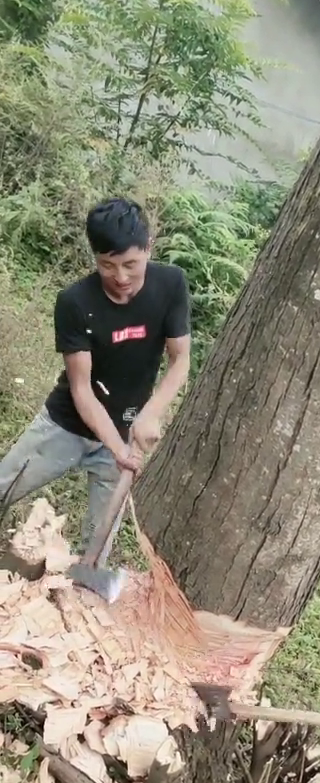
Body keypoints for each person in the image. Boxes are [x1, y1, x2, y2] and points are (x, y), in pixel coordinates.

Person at [0, 198, 191, 561]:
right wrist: (119, 450)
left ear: (149, 247)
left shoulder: (171, 285)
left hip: (123, 433)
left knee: (97, 548)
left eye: (131, 264)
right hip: (64, 427)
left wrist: (151, 414)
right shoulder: (74, 302)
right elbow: (81, 390)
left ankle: (80, 600)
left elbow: (180, 359)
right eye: (108, 265)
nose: (121, 278)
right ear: (95, 258)